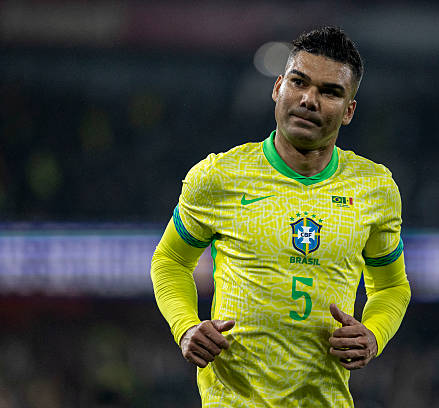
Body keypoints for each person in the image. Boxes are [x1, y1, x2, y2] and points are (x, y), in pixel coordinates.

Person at [151, 26, 411, 407]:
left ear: (349, 111)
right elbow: (170, 260)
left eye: (329, 92)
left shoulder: (375, 189)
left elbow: (392, 287)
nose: (309, 100)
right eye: (299, 82)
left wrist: (374, 334)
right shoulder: (219, 176)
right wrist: (185, 326)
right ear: (278, 88)